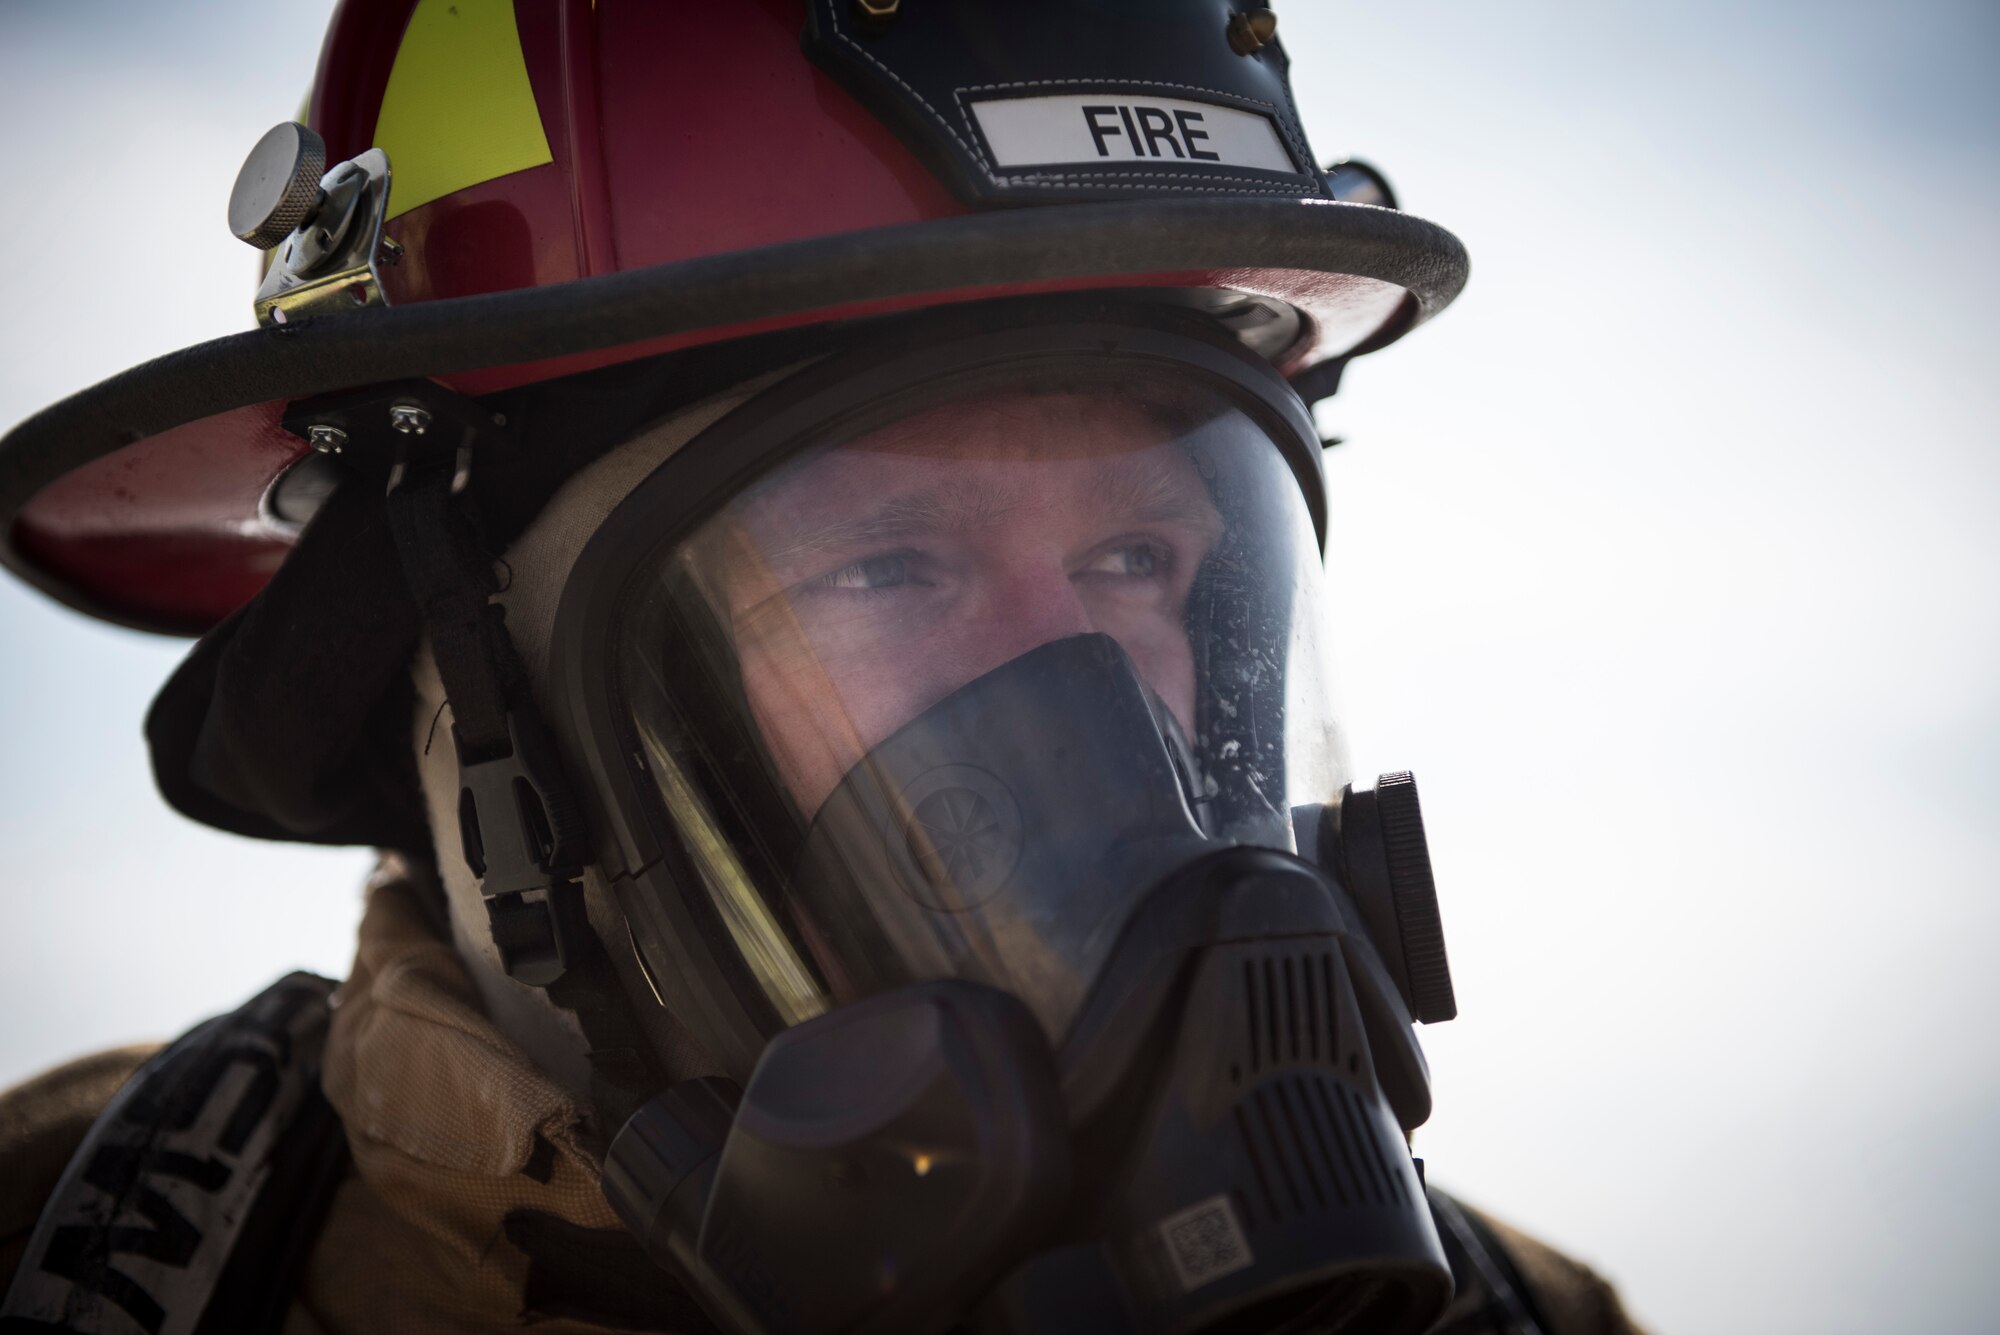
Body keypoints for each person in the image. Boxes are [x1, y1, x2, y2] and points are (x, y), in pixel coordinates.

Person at [0, 2, 1649, 1332]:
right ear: (483, 711)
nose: (1076, 686)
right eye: (887, 567)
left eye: (1140, 558)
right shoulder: (64, 1242)